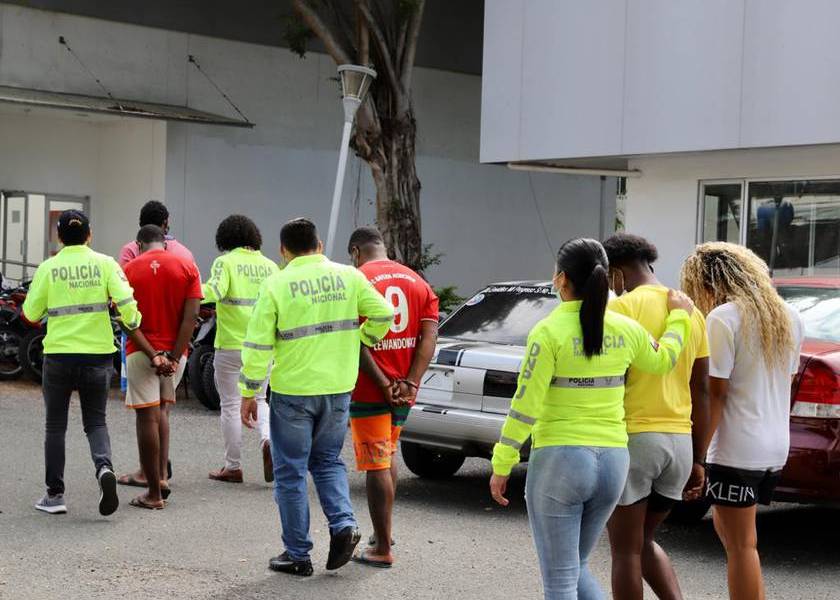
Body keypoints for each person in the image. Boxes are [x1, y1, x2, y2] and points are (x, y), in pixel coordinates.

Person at [489, 238, 694, 600]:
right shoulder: (625, 330)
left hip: (561, 461)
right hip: (614, 462)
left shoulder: (548, 332)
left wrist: (502, 462)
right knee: (575, 569)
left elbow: (525, 405)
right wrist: (679, 317)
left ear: (561, 280)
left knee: (560, 583)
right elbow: (665, 360)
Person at [239, 218, 394, 577]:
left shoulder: (276, 283)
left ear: (283, 251)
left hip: (294, 391)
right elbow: (383, 313)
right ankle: (344, 524)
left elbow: (259, 344)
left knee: (290, 471)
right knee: (327, 462)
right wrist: (363, 339)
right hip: (338, 387)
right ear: (319, 245)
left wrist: (249, 391)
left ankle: (297, 554)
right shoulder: (350, 276)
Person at [680, 242, 803, 600]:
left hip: (735, 448)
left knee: (740, 546)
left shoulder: (723, 318)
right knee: (739, 540)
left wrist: (697, 457)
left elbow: (714, 394)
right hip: (774, 445)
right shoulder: (788, 316)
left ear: (709, 281)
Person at [23, 210, 160, 516]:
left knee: (55, 425)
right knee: (95, 422)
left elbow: (31, 314)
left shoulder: (49, 267)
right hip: (97, 355)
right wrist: (133, 320)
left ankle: (55, 495)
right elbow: (126, 303)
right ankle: (104, 469)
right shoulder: (106, 264)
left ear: (59, 237)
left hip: (58, 355)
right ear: (90, 234)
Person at [602, 233, 710, 600]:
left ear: (616, 273)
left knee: (625, 551)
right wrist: (699, 458)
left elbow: (610, 378)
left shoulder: (620, 309)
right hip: (679, 443)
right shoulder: (691, 312)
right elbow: (703, 388)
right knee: (645, 541)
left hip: (634, 439)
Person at [345, 227, 439, 568]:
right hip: (405, 391)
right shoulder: (419, 282)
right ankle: (382, 532)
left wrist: (384, 384)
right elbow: (429, 338)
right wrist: (410, 383)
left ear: (356, 251)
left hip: (371, 389)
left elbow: (356, 340)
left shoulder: (356, 280)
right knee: (387, 454)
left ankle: (383, 547)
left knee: (377, 464)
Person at [122, 225, 202, 509]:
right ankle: (163, 478)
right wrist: (173, 356)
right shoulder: (187, 266)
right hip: (175, 354)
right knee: (163, 410)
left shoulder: (129, 269)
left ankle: (153, 493)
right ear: (164, 244)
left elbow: (126, 321)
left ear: (139, 244)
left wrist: (154, 354)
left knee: (146, 417)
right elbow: (191, 317)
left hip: (141, 352)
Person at [202, 215, 278, 484]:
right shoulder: (271, 266)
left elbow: (214, 291)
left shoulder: (225, 262)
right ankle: (268, 440)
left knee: (231, 404)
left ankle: (233, 467)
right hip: (264, 347)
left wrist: (189, 293)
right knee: (260, 399)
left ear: (225, 238)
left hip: (231, 346)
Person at [117, 200, 194, 267]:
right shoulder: (184, 253)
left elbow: (123, 281)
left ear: (141, 224)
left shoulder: (129, 251)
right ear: (165, 223)